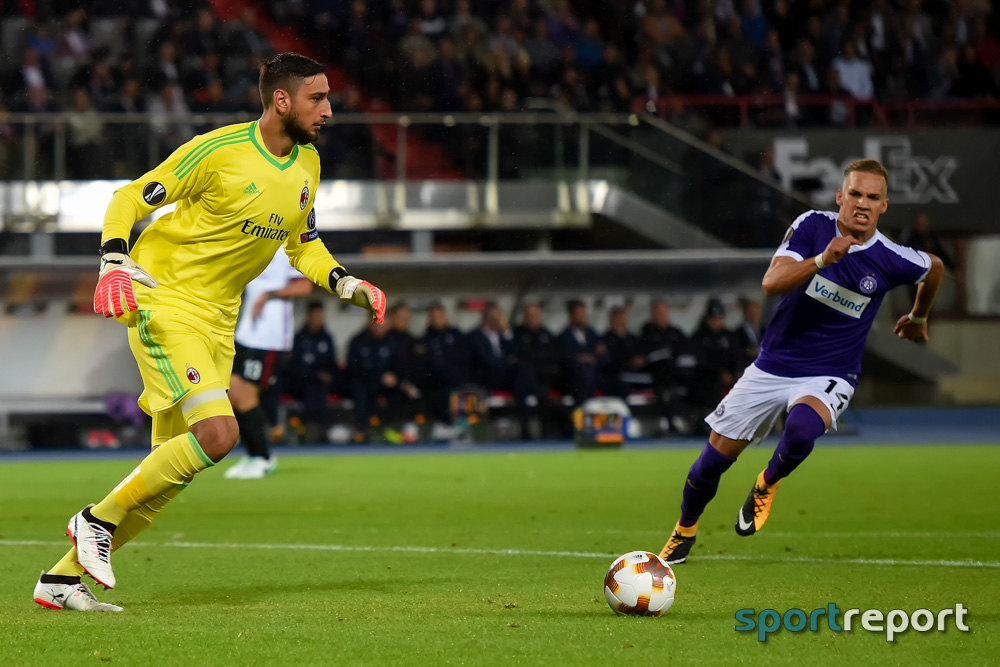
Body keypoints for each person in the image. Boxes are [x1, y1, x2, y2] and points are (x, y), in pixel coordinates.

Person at [33, 53, 386, 612]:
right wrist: (112, 259)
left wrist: (344, 283)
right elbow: (130, 196)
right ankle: (92, 520)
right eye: (317, 99)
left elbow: (302, 241)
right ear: (281, 100)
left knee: (166, 479)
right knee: (220, 435)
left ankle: (60, 580)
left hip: (219, 320)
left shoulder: (308, 164)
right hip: (165, 300)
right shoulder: (218, 151)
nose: (329, 110)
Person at [658, 159, 943, 565]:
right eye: (856, 194)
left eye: (873, 197)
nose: (862, 203)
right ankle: (684, 530)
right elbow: (771, 283)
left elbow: (935, 267)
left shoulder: (891, 257)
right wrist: (824, 260)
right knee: (709, 465)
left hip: (832, 372)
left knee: (801, 430)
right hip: (772, 366)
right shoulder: (812, 226)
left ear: (884, 205)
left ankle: (766, 482)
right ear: (840, 197)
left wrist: (918, 317)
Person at [224, 246, 312, 480]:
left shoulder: (286, 246)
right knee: (232, 393)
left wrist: (268, 295)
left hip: (270, 337)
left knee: (243, 394)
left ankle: (263, 456)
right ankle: (253, 453)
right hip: (247, 334)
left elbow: (304, 285)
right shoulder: (252, 241)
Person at [284, 301, 339, 443]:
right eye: (315, 316)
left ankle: (319, 431)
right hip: (301, 382)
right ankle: (309, 430)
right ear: (308, 316)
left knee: (320, 390)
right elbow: (293, 366)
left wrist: (327, 375)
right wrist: (314, 374)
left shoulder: (327, 338)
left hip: (322, 384)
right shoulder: (299, 338)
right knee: (312, 389)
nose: (318, 319)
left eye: (320, 316)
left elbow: (333, 364)